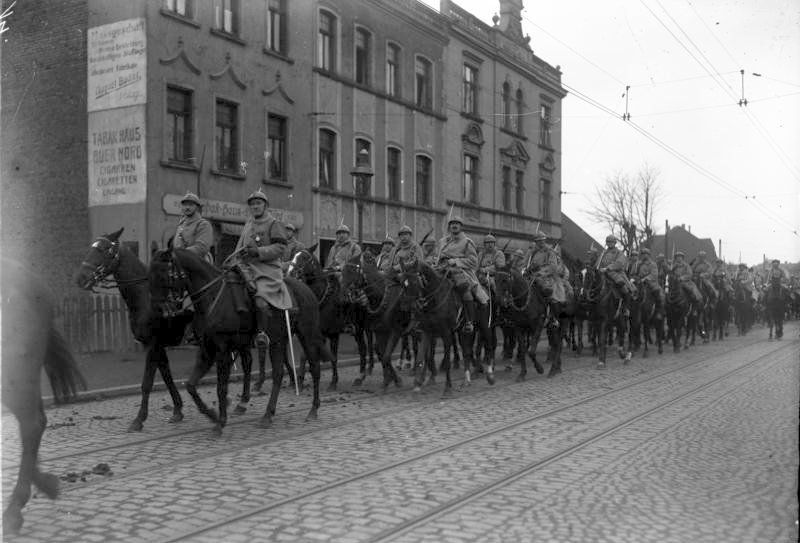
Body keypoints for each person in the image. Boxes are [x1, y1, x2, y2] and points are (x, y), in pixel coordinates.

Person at [232, 189, 293, 347]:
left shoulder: (274, 223)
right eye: (252, 204)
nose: (255, 207)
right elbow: (239, 247)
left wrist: (258, 251)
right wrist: (232, 261)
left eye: (258, 203)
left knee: (260, 299)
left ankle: (262, 333)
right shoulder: (248, 224)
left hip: (267, 269)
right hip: (246, 267)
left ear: (265, 206)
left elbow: (280, 248)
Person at [437, 216, 487, 333]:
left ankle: (469, 321)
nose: (454, 226)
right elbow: (439, 257)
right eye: (452, 224)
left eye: (457, 224)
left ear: (461, 226)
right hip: (442, 268)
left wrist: (456, 261)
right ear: (449, 226)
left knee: (464, 287)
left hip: (460, 270)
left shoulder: (467, 242)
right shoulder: (442, 241)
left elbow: (473, 261)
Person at [526, 232, 569, 307]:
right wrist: (528, 269)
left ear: (544, 240)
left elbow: (553, 267)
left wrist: (540, 273)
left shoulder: (550, 252)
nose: (540, 242)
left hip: (547, 276)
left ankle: (550, 312)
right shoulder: (535, 253)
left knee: (546, 290)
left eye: (542, 240)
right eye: (538, 241)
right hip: (533, 275)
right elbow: (532, 265)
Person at [173, 192, 214, 263]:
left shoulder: (203, 224)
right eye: (185, 205)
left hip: (197, 263)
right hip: (180, 262)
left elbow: (201, 248)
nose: (187, 207)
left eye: (191, 205)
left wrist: (181, 253)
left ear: (197, 207)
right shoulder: (181, 225)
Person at [598, 235, 635, 312]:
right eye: (608, 242)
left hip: (617, 274)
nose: (609, 243)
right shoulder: (603, 253)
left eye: (611, 242)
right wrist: (598, 268)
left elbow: (620, 263)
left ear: (615, 243)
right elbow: (598, 263)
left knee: (624, 289)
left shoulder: (619, 253)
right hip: (602, 274)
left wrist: (608, 268)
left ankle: (625, 308)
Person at [636, 248, 665, 319]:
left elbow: (654, 274)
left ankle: (659, 312)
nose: (644, 256)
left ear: (649, 255)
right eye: (643, 254)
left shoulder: (653, 264)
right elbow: (636, 273)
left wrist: (645, 279)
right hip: (640, 282)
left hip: (651, 282)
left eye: (646, 254)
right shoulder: (639, 264)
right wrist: (634, 278)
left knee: (658, 294)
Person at [477, 234, 506, 298]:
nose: (490, 244)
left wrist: (484, 270)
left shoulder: (499, 253)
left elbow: (499, 267)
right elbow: (477, 266)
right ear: (484, 244)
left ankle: (499, 302)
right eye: (487, 243)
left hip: (495, 278)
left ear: (494, 244)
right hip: (481, 277)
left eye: (491, 242)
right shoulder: (481, 254)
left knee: (495, 287)